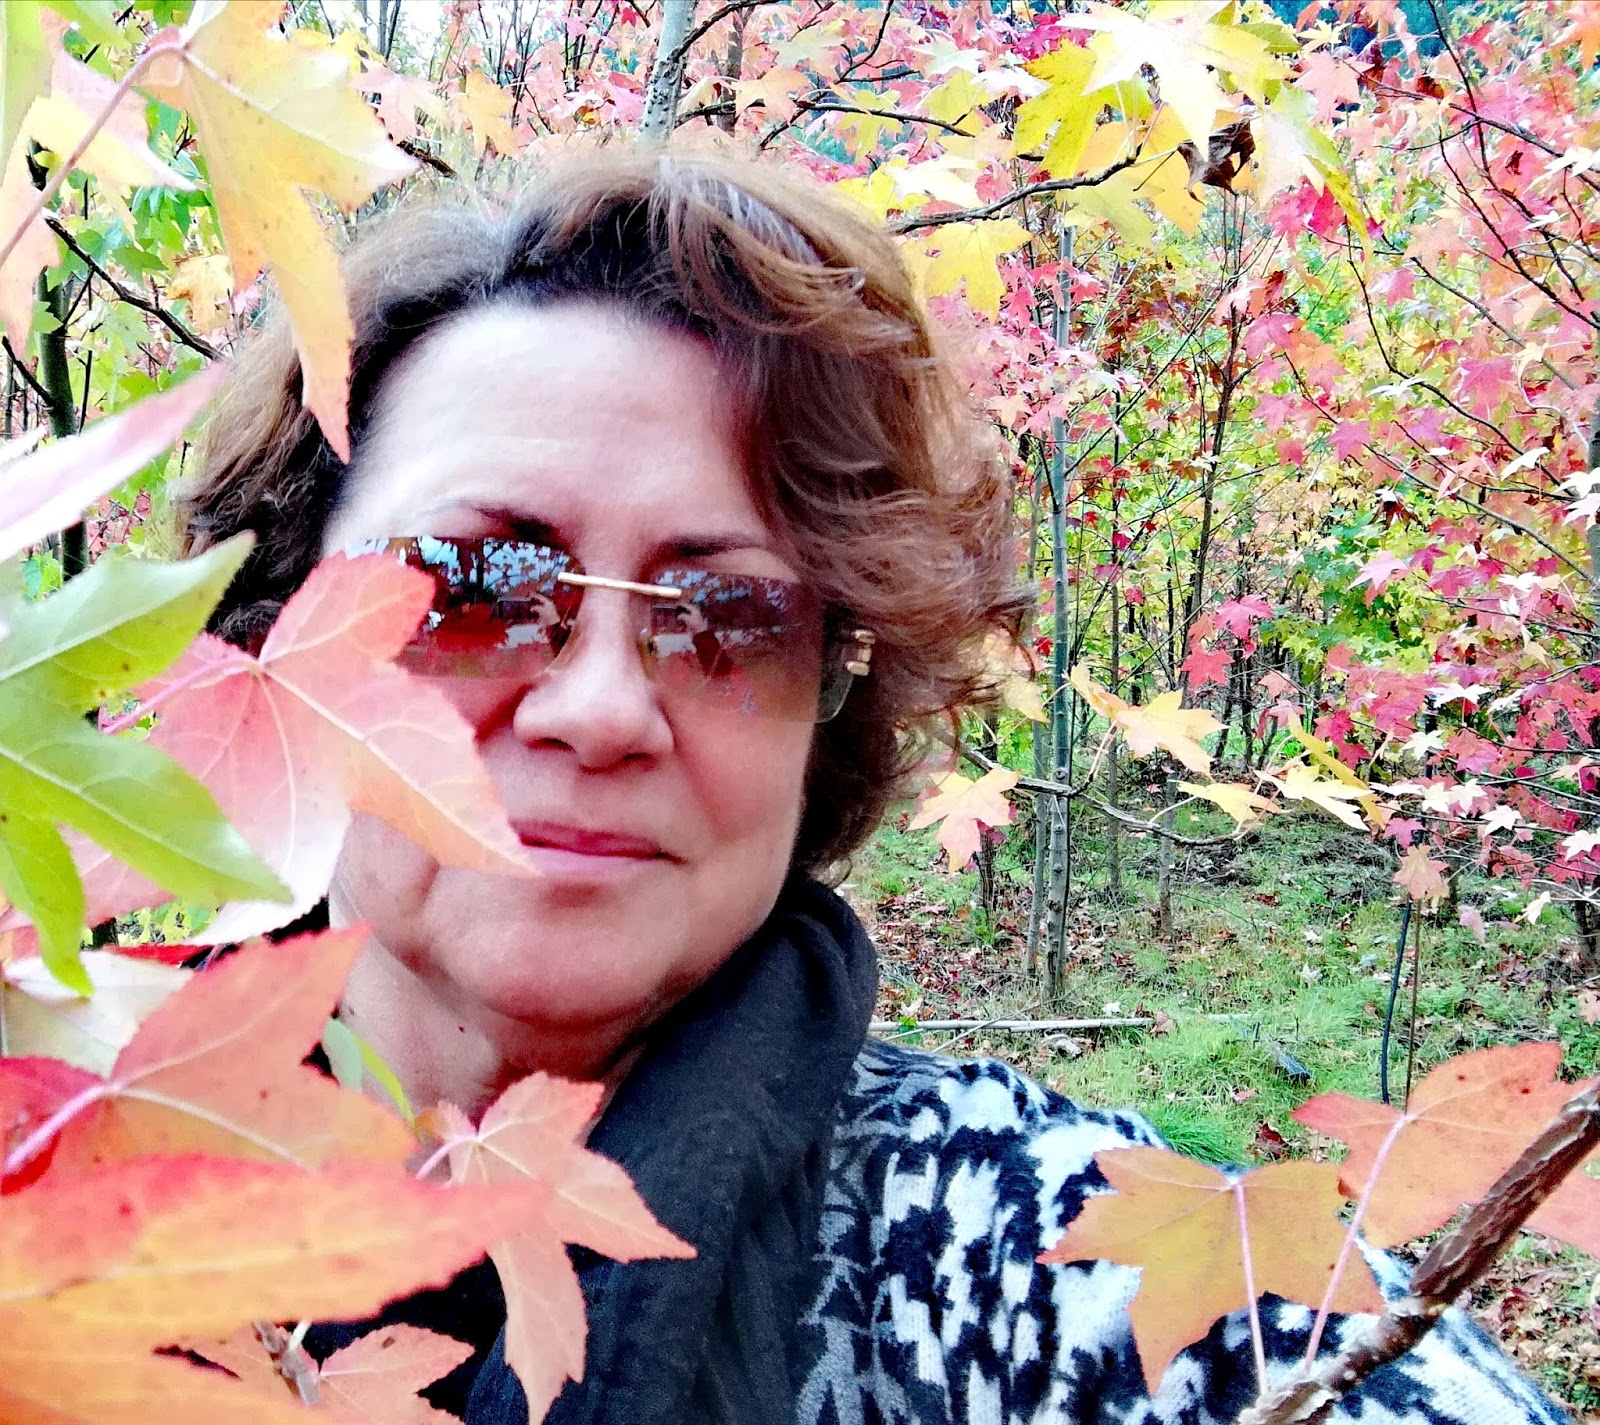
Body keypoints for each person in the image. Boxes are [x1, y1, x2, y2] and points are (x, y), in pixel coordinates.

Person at [176, 151, 1565, 1425]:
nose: (601, 710)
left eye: (729, 617)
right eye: (469, 589)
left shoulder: (1034, 1261)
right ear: (271, 628)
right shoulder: (84, 1141)